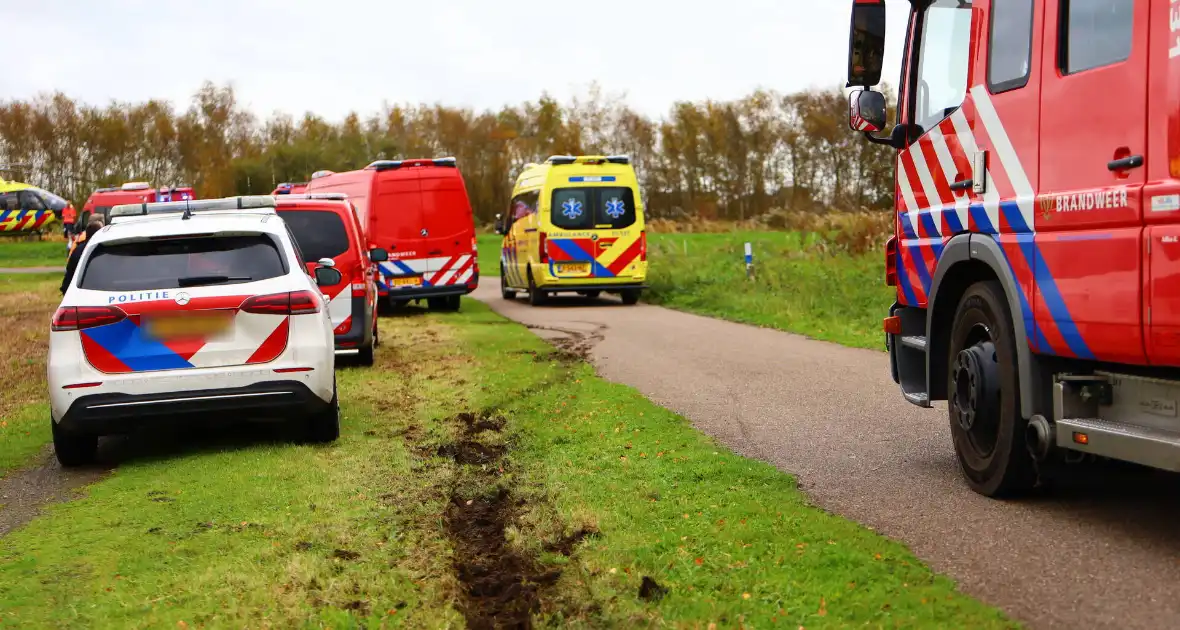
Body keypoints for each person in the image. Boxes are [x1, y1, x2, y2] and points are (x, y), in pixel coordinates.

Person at [61, 217, 104, 295]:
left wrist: (65, 290)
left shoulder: (78, 250)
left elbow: (69, 274)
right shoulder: (102, 251)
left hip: (77, 293)